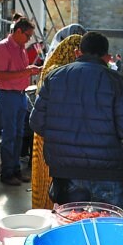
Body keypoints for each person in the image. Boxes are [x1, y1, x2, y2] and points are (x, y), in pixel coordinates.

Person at [30, 31, 123, 210]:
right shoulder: (118, 81)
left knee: (71, 227)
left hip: (65, 171)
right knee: (106, 230)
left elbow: (37, 123)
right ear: (106, 56)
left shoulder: (54, 77)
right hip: (107, 171)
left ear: (78, 52)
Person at [31, 33, 82, 210]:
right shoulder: (62, 72)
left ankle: (44, 209)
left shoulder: (51, 68)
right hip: (55, 134)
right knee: (53, 180)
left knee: (45, 178)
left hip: (45, 131)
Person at [0, 17, 41, 186]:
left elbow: (20, 72)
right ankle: (7, 173)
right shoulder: (3, 47)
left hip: (19, 95)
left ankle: (15, 169)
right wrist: (25, 72)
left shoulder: (21, 48)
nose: (29, 39)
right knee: (10, 136)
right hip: (8, 95)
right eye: (28, 35)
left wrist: (28, 72)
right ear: (18, 31)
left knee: (19, 135)